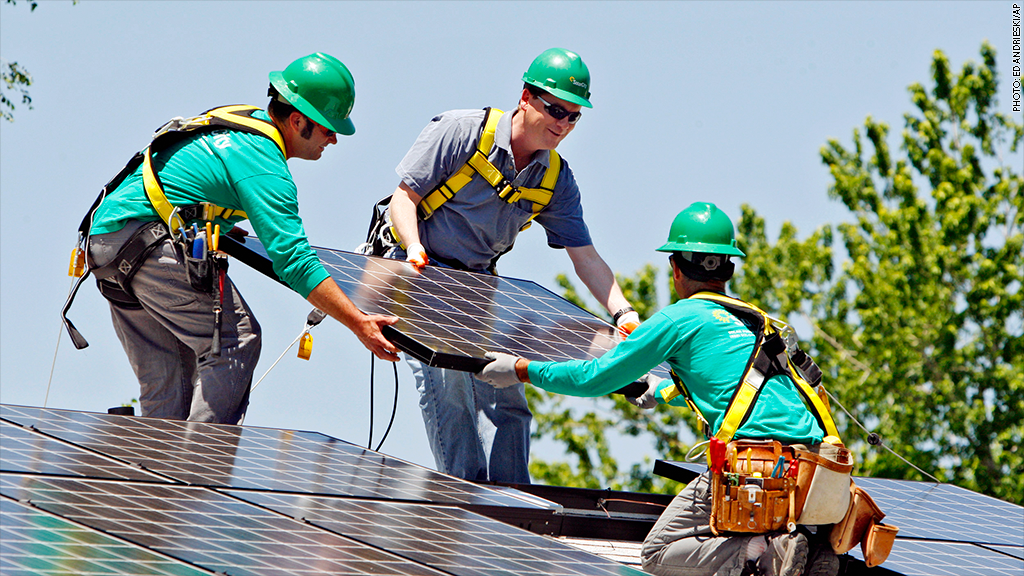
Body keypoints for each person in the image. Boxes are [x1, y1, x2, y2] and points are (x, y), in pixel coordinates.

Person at [475, 202, 841, 576]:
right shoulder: (754, 321)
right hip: (814, 468)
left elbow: (595, 377)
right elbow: (745, 391)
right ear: (728, 269)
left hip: (756, 467)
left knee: (658, 552)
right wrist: (662, 390)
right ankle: (812, 554)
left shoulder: (679, 318)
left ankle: (761, 550)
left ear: (675, 269)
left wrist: (522, 370)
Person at [81, 53, 399, 424]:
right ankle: (200, 471)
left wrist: (213, 219)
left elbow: (188, 179)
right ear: (298, 121)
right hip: (146, 243)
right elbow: (293, 260)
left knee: (171, 384)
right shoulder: (263, 162)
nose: (333, 139)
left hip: (106, 247)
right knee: (236, 341)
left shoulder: (241, 125)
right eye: (329, 129)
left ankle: (160, 478)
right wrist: (358, 322)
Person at [373, 47, 640, 483]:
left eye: (574, 117)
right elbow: (404, 200)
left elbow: (585, 256)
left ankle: (512, 503)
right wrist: (415, 247)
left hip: (477, 287)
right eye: (556, 110)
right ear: (525, 97)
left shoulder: (555, 179)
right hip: (422, 275)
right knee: (450, 390)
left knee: (507, 397)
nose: (563, 124)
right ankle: (465, 496)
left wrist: (623, 312)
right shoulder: (460, 131)